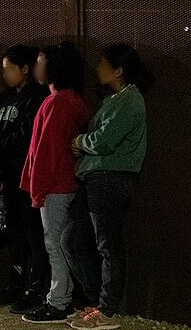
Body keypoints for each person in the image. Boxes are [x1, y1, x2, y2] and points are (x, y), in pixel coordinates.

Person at [61, 45, 152, 330]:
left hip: (111, 177)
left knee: (107, 245)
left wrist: (79, 142)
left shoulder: (130, 100)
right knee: (72, 239)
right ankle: (95, 303)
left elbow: (104, 140)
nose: (97, 68)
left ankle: (106, 309)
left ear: (118, 71)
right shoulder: (116, 99)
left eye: (103, 64)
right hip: (96, 177)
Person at [20, 42, 90, 325]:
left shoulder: (57, 102)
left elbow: (46, 151)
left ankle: (59, 301)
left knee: (54, 245)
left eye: (41, 61)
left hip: (54, 186)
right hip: (65, 182)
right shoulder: (71, 100)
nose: (37, 66)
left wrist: (38, 190)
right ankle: (64, 297)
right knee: (62, 243)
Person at [0, 44, 52, 313]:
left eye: (9, 69)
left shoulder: (38, 96)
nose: (5, 74)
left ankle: (35, 288)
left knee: (33, 233)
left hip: (28, 176)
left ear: (24, 68)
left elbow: (26, 133)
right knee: (11, 232)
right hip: (5, 177)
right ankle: (15, 284)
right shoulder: (3, 98)